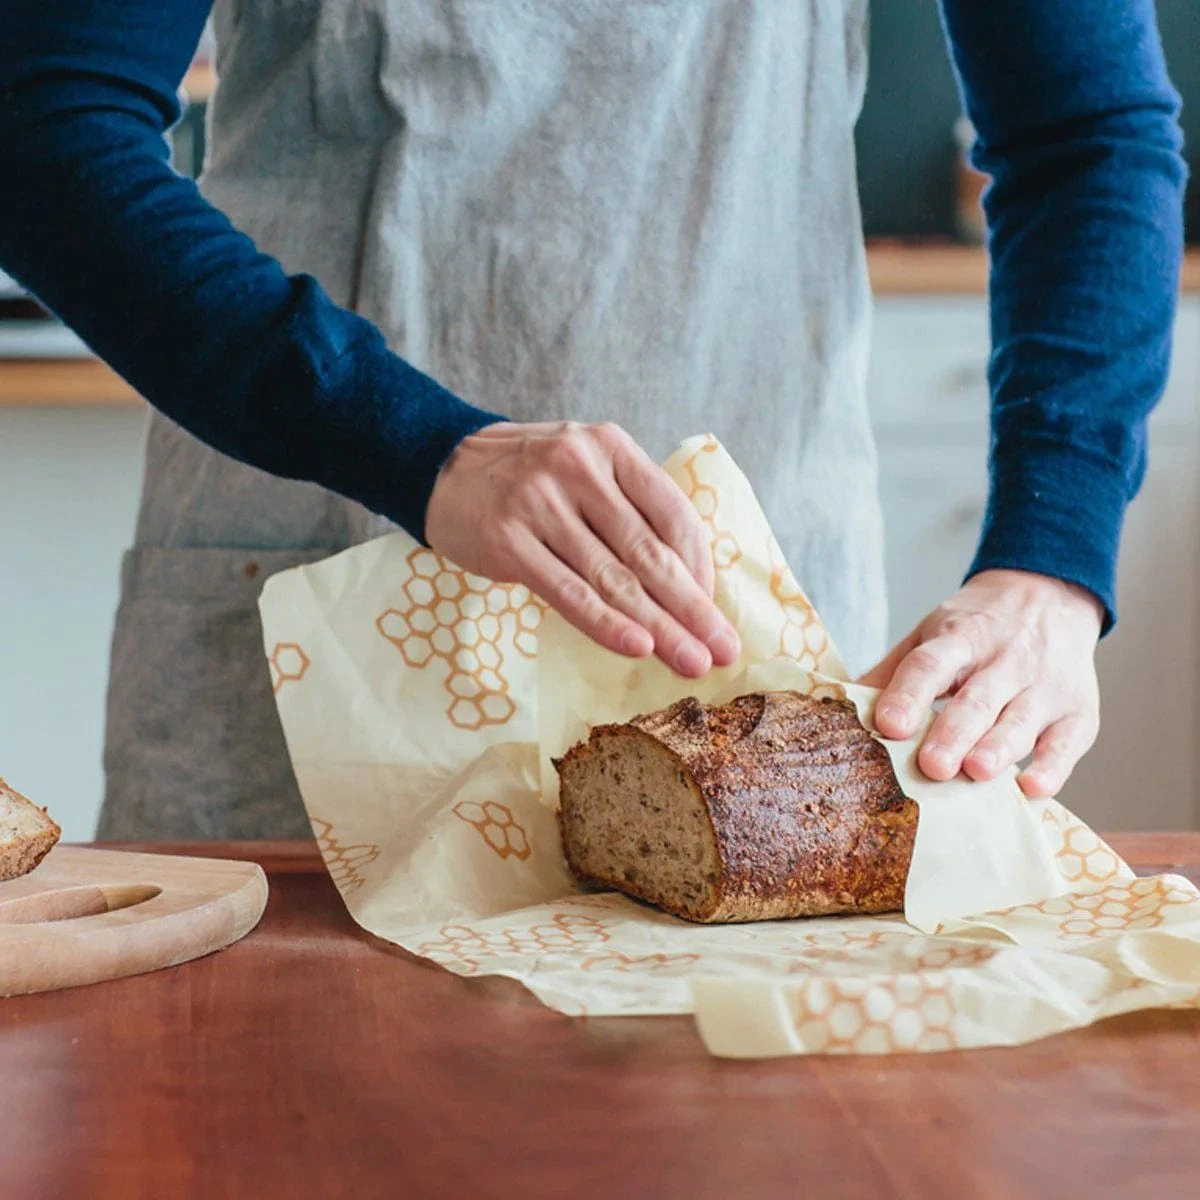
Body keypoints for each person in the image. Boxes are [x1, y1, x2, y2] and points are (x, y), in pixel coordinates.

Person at [0, 2, 1185, 839]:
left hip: (758, 643)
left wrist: (1050, 561)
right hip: (328, 605)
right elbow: (44, 126)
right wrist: (419, 445)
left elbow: (1090, 134)